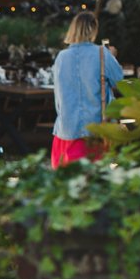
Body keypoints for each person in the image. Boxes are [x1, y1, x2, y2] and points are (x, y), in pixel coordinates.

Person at [51, 11, 123, 169]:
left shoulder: (61, 57)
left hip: (66, 128)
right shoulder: (102, 54)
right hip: (96, 127)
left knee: (67, 183)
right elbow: (119, 81)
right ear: (93, 30)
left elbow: (58, 94)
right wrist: (112, 56)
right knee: (94, 181)